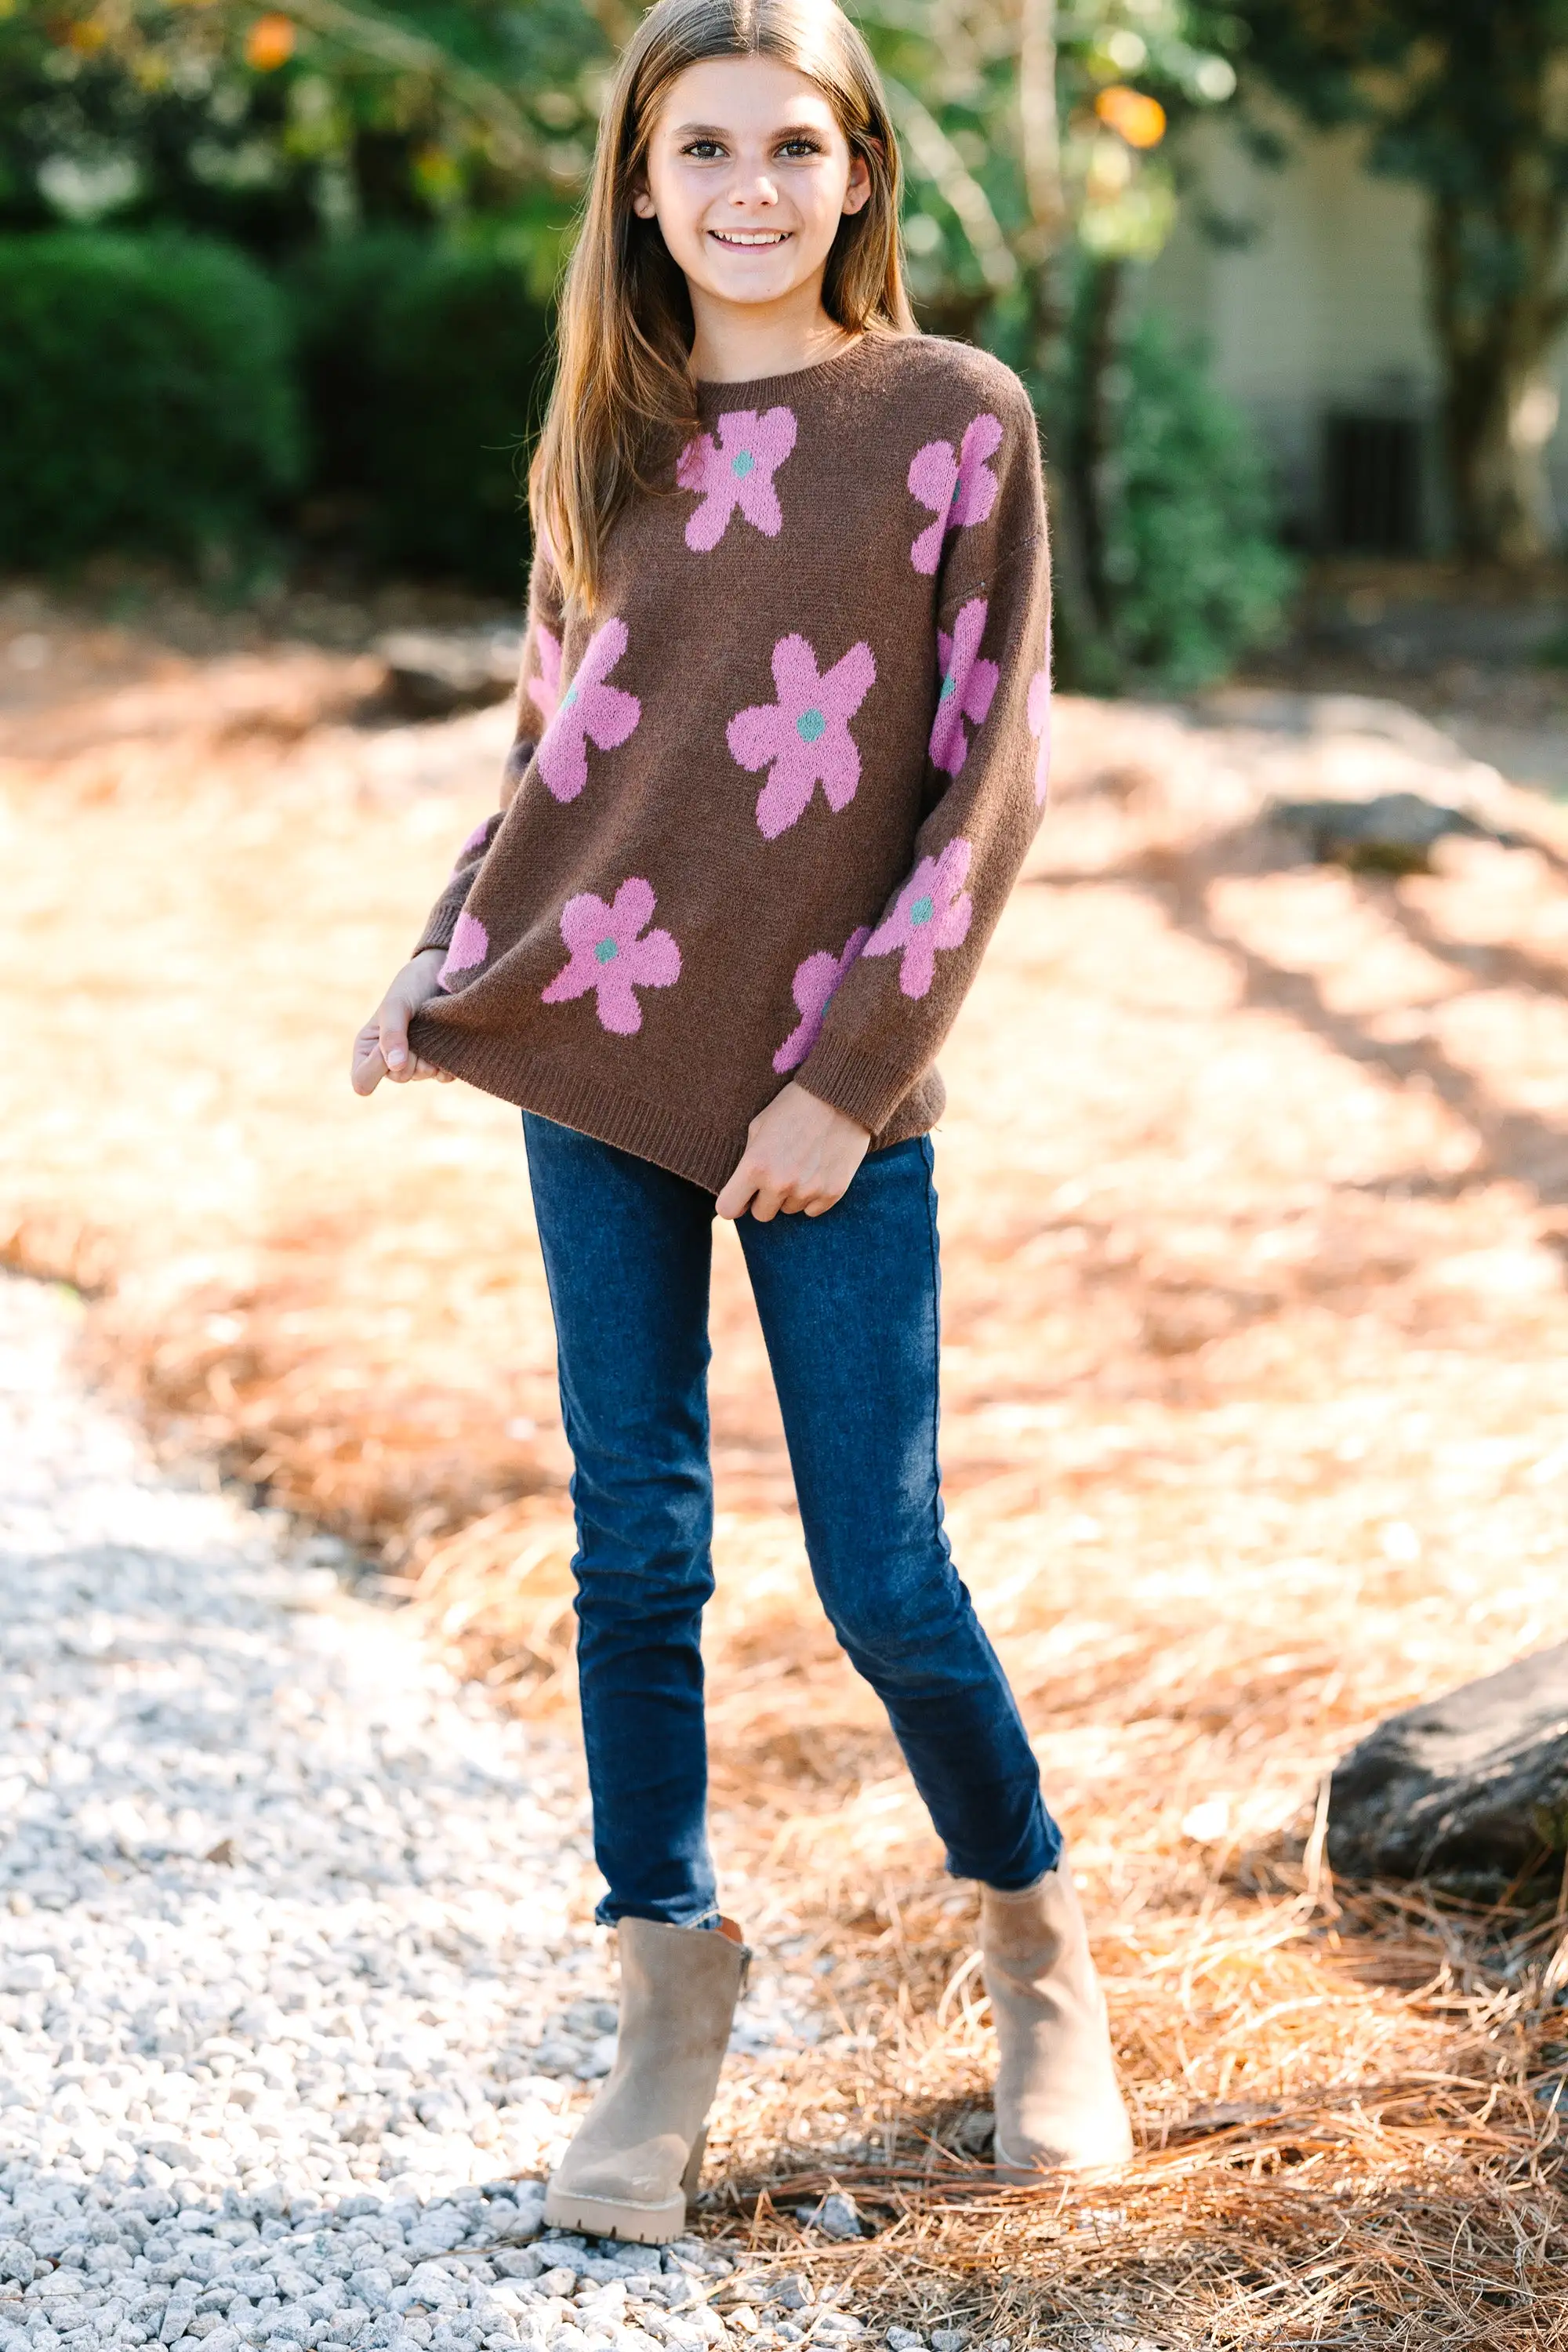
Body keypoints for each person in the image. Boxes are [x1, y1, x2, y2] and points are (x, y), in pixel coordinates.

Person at [351, 0, 1132, 2244]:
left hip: (828, 1090)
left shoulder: (949, 426)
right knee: (637, 1545)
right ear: (641, 182)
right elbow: (548, 763)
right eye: (704, 149)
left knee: (886, 1567)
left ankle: (1035, 1940)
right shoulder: (608, 437)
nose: (752, 190)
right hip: (598, 1053)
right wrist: (438, 958)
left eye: (796, 145)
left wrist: (843, 1082)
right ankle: (666, 1993)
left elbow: (989, 787)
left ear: (864, 168)